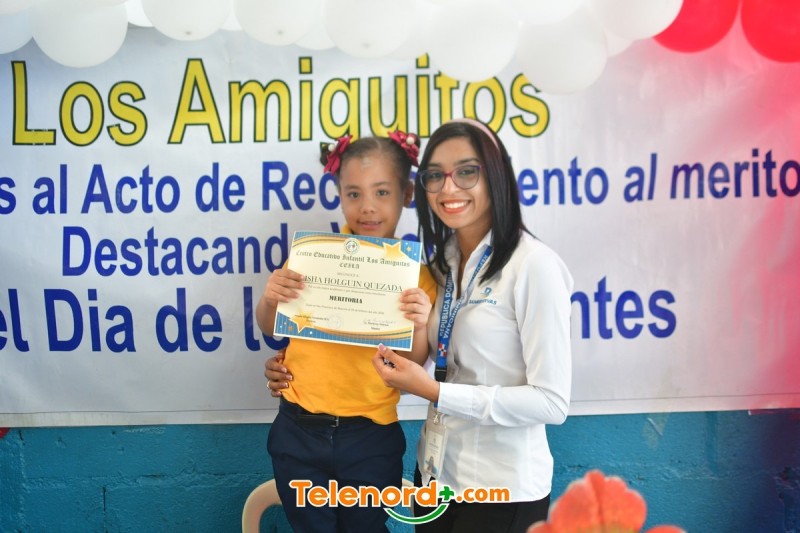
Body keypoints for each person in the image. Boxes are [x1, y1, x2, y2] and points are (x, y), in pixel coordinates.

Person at [371, 118, 574, 533]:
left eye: (466, 171)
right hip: (435, 479)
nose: (448, 189)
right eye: (435, 176)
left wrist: (437, 393)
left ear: (496, 176)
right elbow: (427, 358)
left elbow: (552, 403)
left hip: (500, 489)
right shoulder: (441, 265)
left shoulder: (533, 266)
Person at [255, 131, 437, 532]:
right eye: (354, 194)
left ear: (407, 194)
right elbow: (271, 327)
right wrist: (269, 298)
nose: (367, 207)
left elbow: (413, 364)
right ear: (339, 195)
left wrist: (421, 323)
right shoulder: (312, 257)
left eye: (382, 192)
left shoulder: (418, 280)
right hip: (298, 428)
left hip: (371, 435)